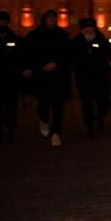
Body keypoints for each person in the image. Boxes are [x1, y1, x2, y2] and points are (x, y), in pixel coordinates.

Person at [24, 10, 71, 147]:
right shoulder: (35, 35)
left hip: (58, 75)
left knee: (58, 104)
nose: (52, 20)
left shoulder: (62, 35)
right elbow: (28, 53)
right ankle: (43, 119)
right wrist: (38, 66)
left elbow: (67, 54)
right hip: (42, 76)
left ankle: (56, 133)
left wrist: (56, 63)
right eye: (49, 18)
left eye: (54, 18)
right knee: (43, 103)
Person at [70, 18, 111, 139]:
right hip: (84, 80)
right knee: (87, 104)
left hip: (101, 78)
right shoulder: (76, 43)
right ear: (82, 30)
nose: (89, 30)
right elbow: (69, 59)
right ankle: (90, 127)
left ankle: (99, 116)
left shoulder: (102, 40)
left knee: (104, 102)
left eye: (91, 28)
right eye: (86, 29)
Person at [0, 11, 26, 145]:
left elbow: (21, 57)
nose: (1, 24)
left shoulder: (15, 38)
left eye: (4, 21)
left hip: (11, 79)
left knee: (11, 106)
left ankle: (10, 129)